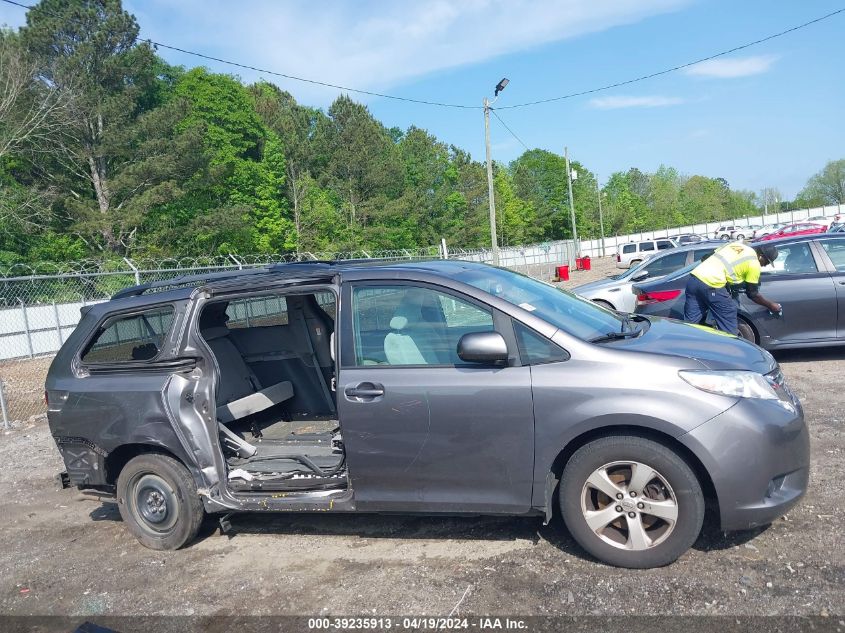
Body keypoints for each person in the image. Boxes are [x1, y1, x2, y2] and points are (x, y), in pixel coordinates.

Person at [683, 242, 781, 335]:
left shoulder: (735, 245)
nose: (765, 265)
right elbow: (753, 294)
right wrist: (771, 305)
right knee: (728, 317)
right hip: (713, 284)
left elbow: (705, 258)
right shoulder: (754, 264)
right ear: (761, 256)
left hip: (693, 280)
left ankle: (682, 347)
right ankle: (730, 349)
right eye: (767, 262)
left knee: (690, 325)